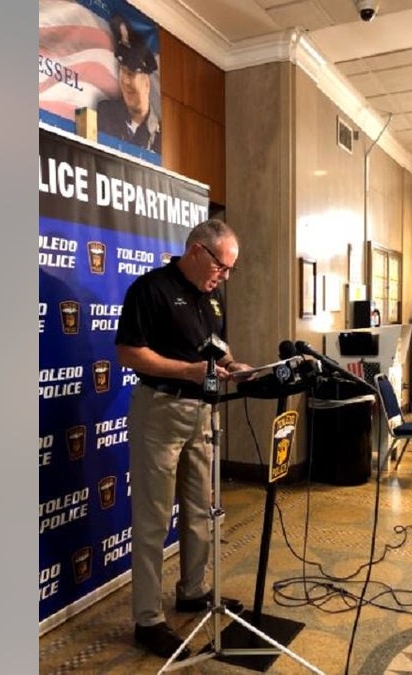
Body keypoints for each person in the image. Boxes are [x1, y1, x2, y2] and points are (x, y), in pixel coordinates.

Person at [114, 219, 251, 659]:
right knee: (154, 519)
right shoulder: (149, 289)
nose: (224, 275)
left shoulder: (210, 296)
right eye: (221, 266)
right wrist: (188, 371)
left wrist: (234, 365)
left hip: (203, 413)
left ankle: (192, 590)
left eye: (230, 269)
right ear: (196, 251)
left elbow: (214, 345)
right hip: (161, 410)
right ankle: (148, 619)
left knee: (201, 511)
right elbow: (130, 352)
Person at [97, 16, 161, 153]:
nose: (125, 81)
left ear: (147, 83)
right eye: (122, 71)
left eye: (131, 74)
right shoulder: (105, 113)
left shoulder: (159, 137)